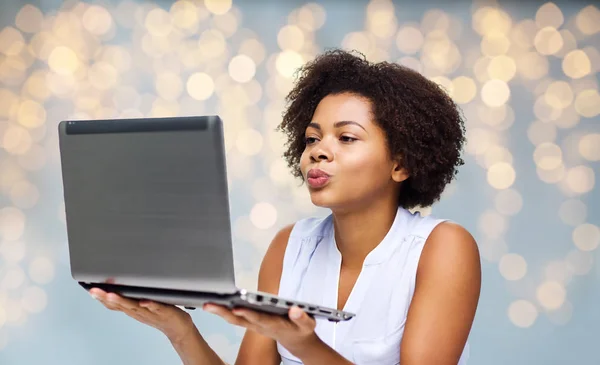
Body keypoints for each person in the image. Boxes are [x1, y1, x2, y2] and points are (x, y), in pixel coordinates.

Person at [89, 49, 481, 365]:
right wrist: (178, 328)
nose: (318, 152)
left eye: (346, 137)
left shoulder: (443, 247)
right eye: (312, 139)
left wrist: (304, 346)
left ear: (401, 163)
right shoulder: (290, 246)